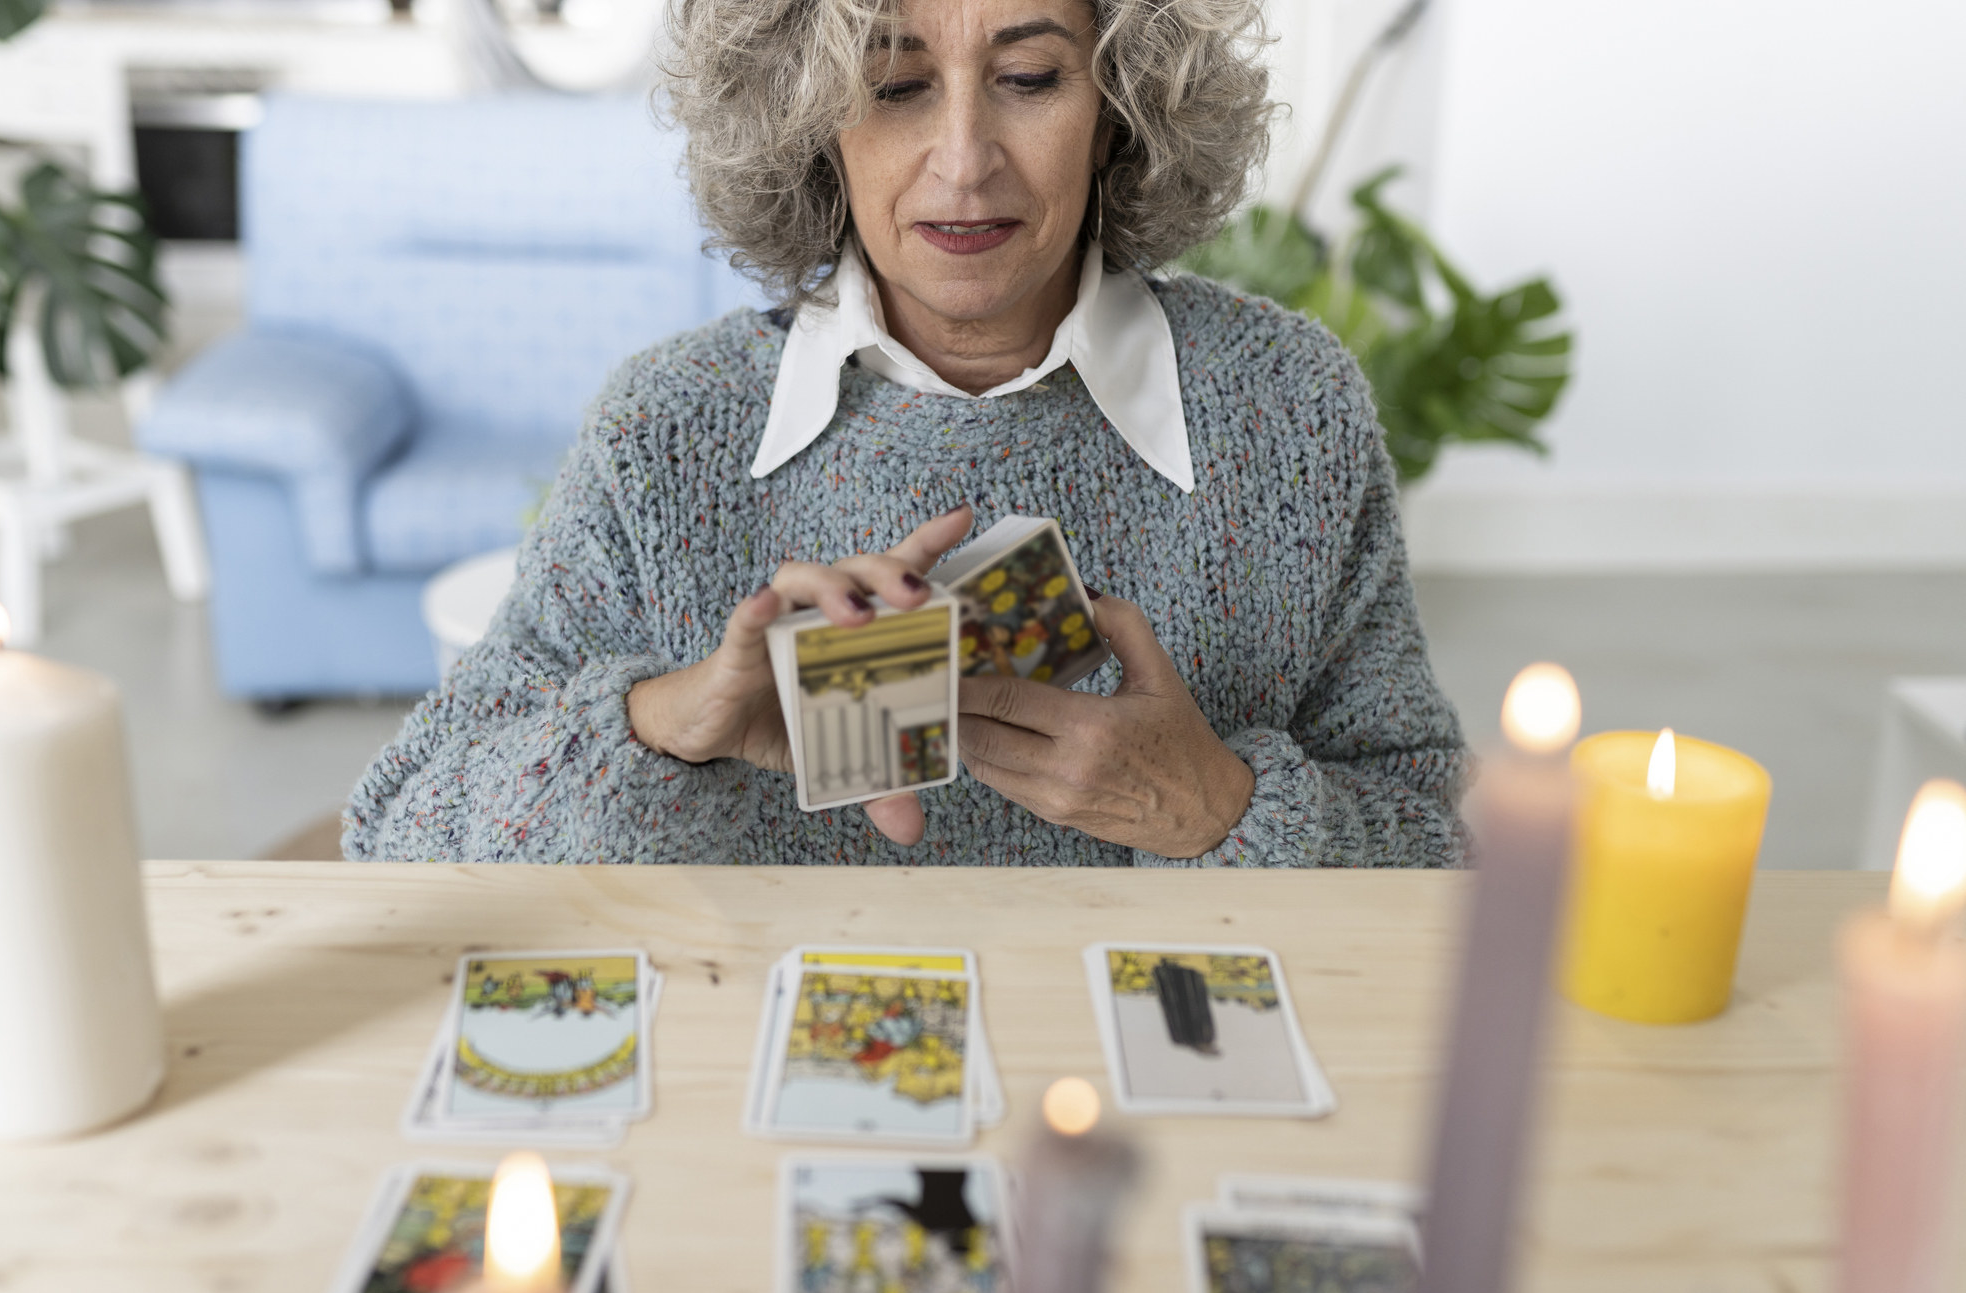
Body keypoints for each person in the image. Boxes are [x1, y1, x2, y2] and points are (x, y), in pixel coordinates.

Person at [343, 0, 1469, 867]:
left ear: (1122, 102)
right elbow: (398, 829)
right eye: (893, 86)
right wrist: (667, 723)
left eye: (1029, 78)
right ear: (802, 108)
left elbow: (1439, 841)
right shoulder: (669, 430)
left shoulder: (1288, 408)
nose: (965, 159)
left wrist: (1223, 806)